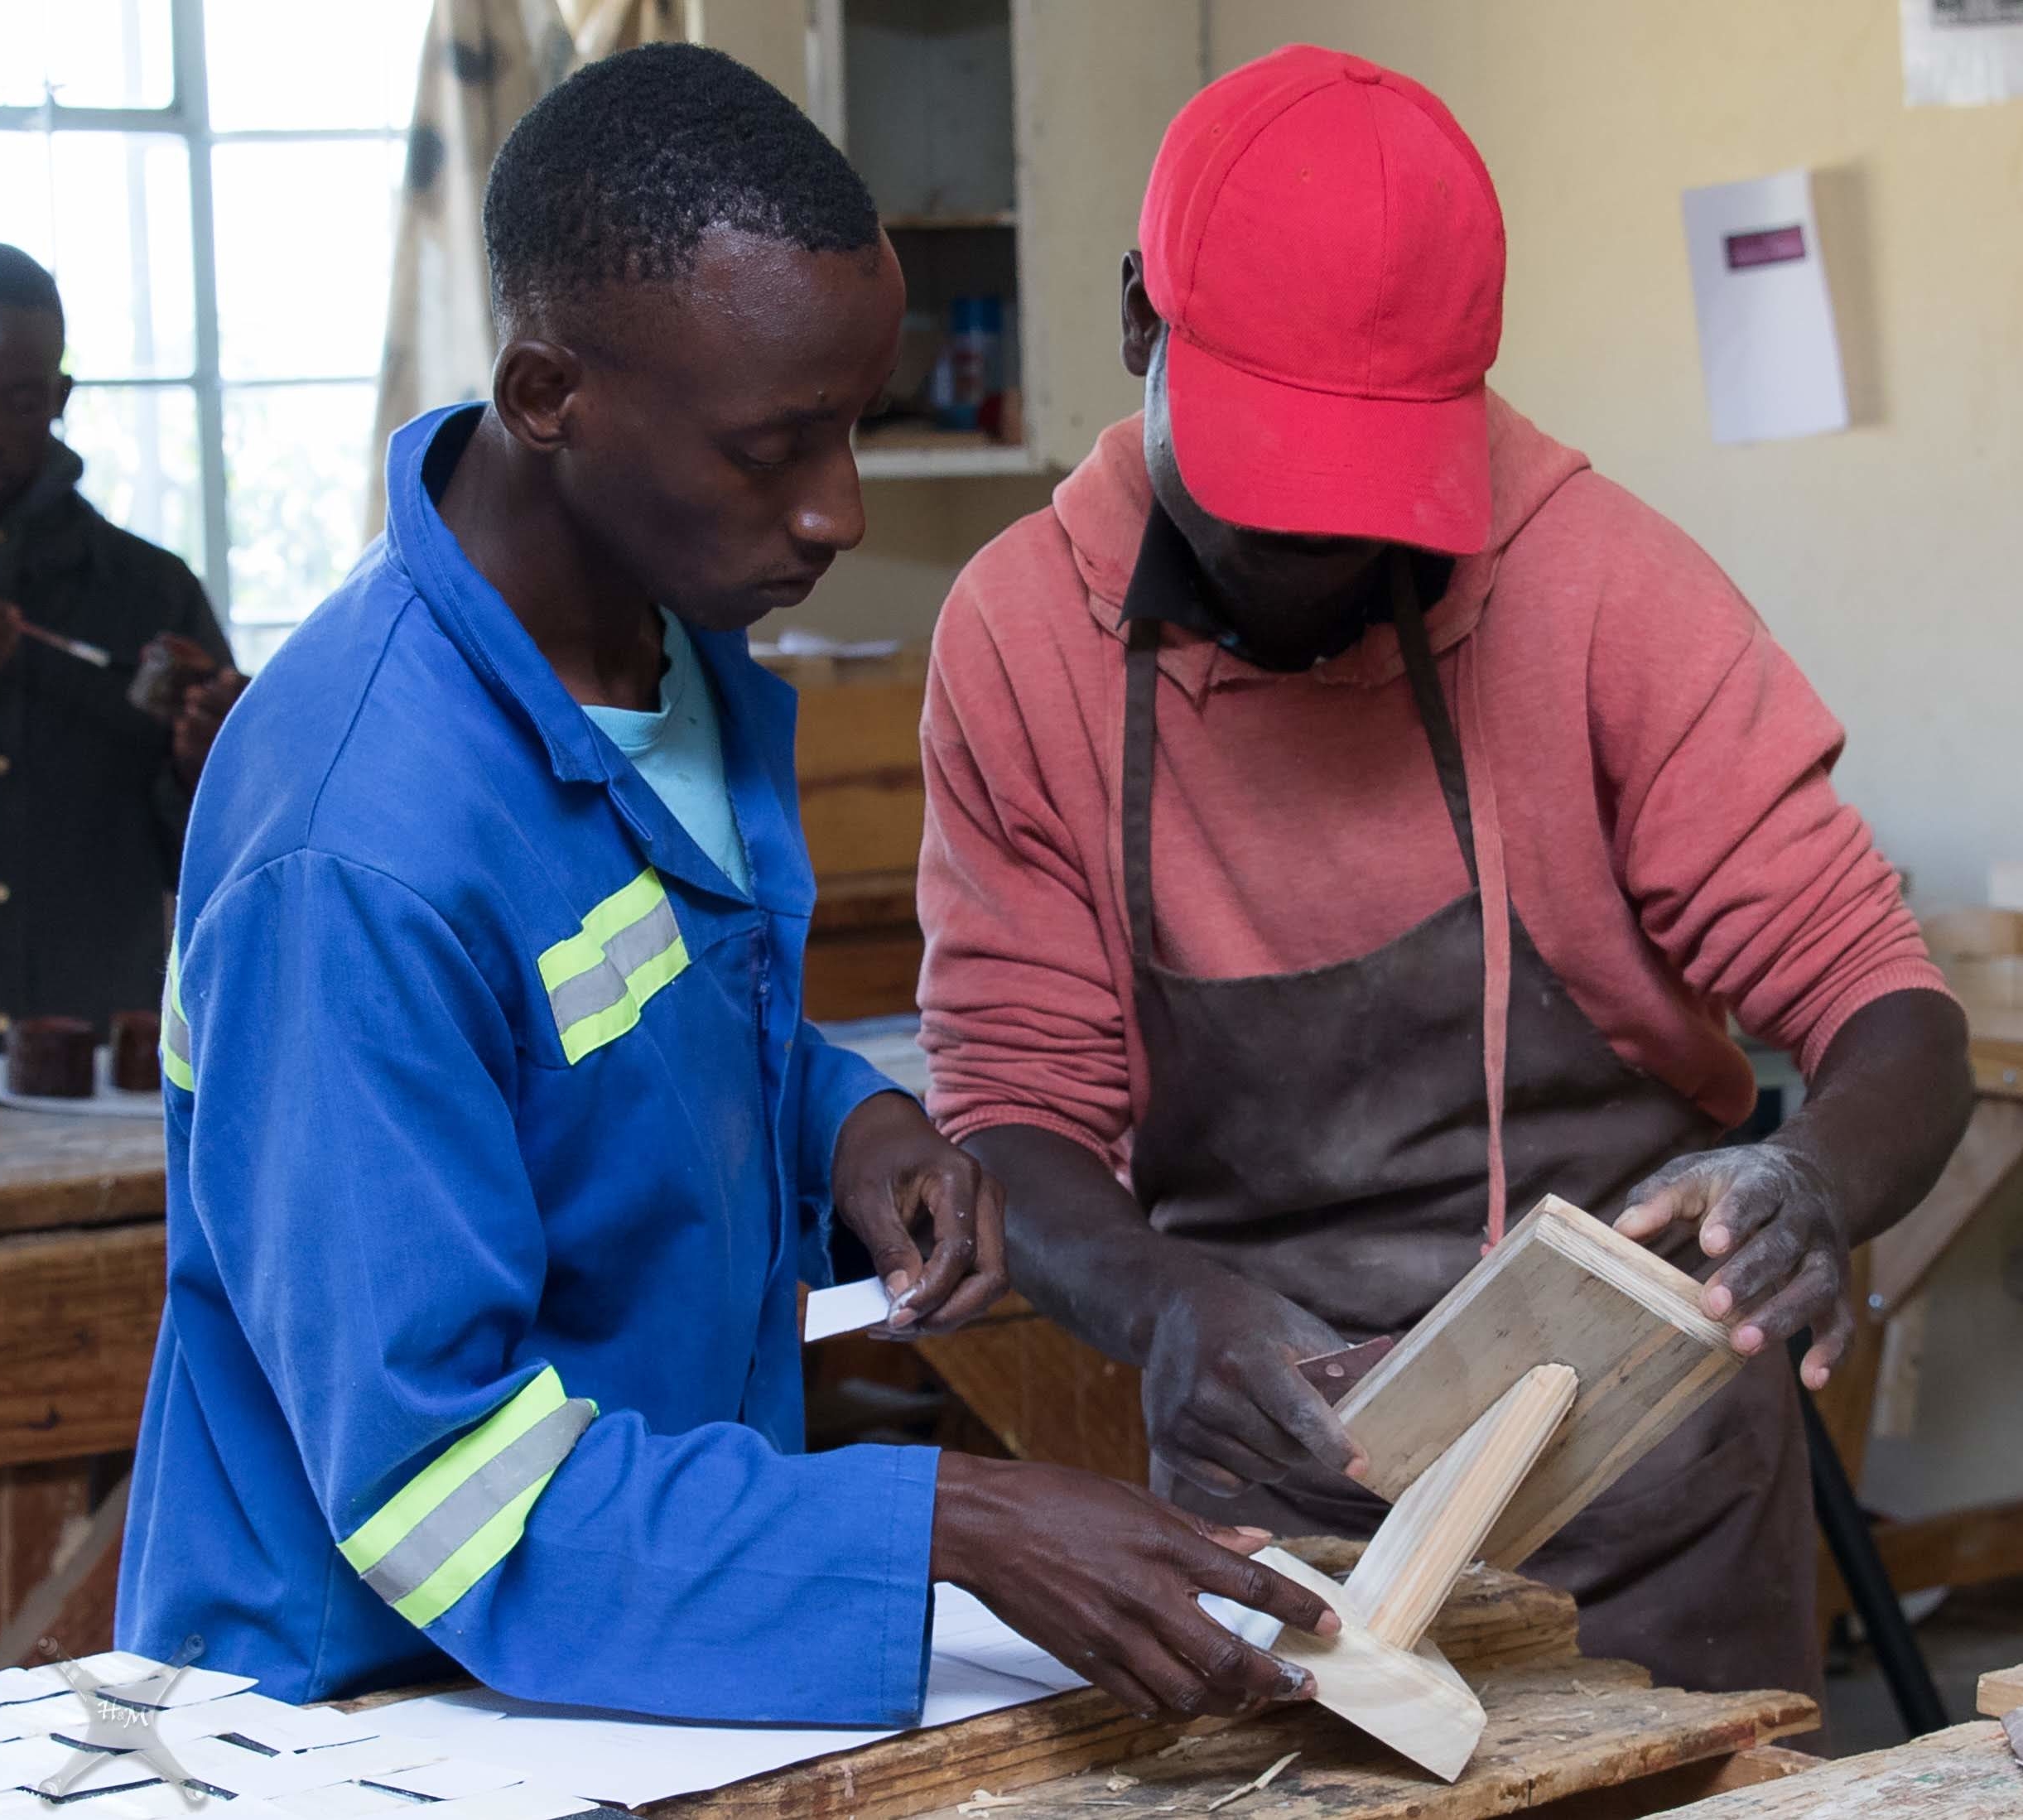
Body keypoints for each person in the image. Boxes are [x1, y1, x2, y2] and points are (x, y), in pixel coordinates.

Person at [118, 45, 1332, 1725]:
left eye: (855, 420)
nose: (836, 507)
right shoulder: (353, 847)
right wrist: (947, 1523)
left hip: (636, 1640)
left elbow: (631, 1043)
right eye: (775, 447)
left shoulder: (662, 640)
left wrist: (850, 1127)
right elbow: (441, 1488)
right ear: (551, 397)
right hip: (365, 1706)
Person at [916, 46, 1975, 1697]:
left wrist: (1816, 1180)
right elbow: (1011, 1110)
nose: (1325, 559)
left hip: (1645, 1511)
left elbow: (1891, 1011)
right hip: (1278, 1521)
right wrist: (1167, 1308)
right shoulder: (1017, 640)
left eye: (1374, 498)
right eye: (1274, 497)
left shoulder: (1603, 591)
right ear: (1143, 322)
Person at [0, 242, 244, 1055]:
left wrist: (212, 768)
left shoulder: (152, 593)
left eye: (17, 401)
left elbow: (225, 864)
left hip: (99, 1073)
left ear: (59, 397)